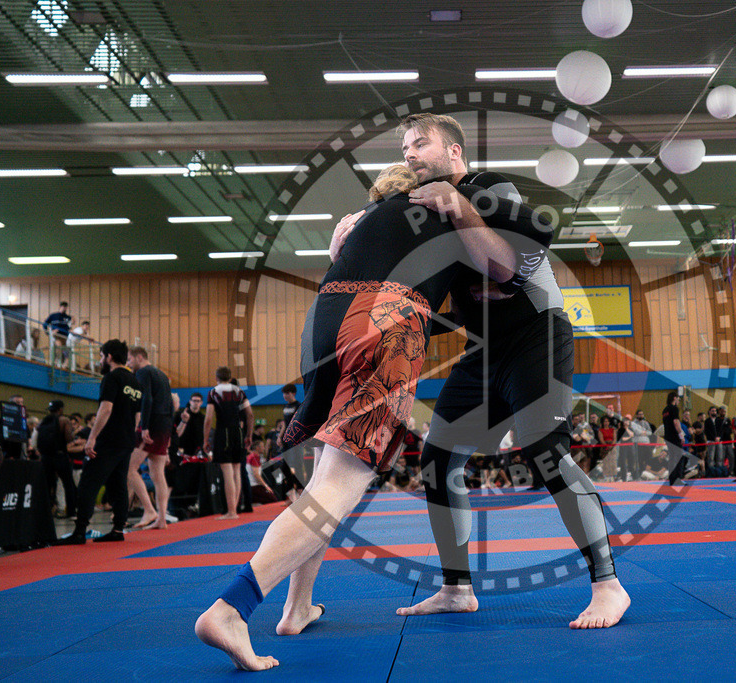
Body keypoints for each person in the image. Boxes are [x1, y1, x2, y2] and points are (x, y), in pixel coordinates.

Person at [195, 161, 550, 669]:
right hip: (386, 319)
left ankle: (296, 606)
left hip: (323, 318)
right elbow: (499, 278)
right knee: (343, 480)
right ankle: (233, 607)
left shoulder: (362, 221)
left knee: (320, 474)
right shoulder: (445, 208)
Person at [337, 114, 628, 630]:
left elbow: (508, 271)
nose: (408, 154)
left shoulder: (485, 189)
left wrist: (459, 206)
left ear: (453, 153)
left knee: (544, 449)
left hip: (538, 332)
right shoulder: (425, 214)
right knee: (437, 459)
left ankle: (609, 585)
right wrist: (347, 247)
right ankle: (456, 588)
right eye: (403, 146)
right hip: (485, 350)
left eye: (420, 143)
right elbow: (428, 306)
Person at [54, 340, 141, 544]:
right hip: (126, 441)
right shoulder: (136, 382)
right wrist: (130, 436)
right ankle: (118, 529)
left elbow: (106, 409)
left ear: (109, 357)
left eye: (102, 357)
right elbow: (137, 416)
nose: (101, 360)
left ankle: (79, 531)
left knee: (88, 483)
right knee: (118, 484)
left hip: (109, 440)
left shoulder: (112, 378)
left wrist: (92, 437)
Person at [125, 346, 174, 529]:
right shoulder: (161, 374)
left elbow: (146, 399)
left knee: (130, 469)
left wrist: (144, 426)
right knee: (158, 474)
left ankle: (149, 509)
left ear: (139, 357)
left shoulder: (143, 372)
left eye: (129, 360)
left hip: (151, 425)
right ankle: (161, 518)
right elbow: (170, 404)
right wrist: (169, 434)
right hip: (163, 425)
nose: (129, 365)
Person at [204, 366, 254, 520]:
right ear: (230, 377)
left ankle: (231, 511)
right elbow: (250, 415)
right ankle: (235, 509)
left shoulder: (214, 392)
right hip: (238, 433)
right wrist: (249, 435)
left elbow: (208, 419)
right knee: (237, 471)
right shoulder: (239, 392)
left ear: (216, 378)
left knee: (227, 473)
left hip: (223, 432)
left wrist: (205, 439)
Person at [35, 400, 78, 518]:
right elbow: (69, 438)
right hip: (60, 456)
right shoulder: (64, 420)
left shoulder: (43, 421)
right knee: (68, 484)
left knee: (48, 485)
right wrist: (75, 433)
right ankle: (71, 512)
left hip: (45, 458)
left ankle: (47, 511)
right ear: (60, 409)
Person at [42, 302, 73, 367]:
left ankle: (64, 363)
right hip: (56, 335)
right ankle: (56, 361)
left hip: (64, 336)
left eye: (65, 307)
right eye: (63, 307)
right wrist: (48, 332)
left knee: (66, 350)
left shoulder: (67, 317)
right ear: (60, 307)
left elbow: (69, 327)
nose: (64, 308)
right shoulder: (53, 316)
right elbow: (45, 323)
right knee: (59, 346)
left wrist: (71, 325)